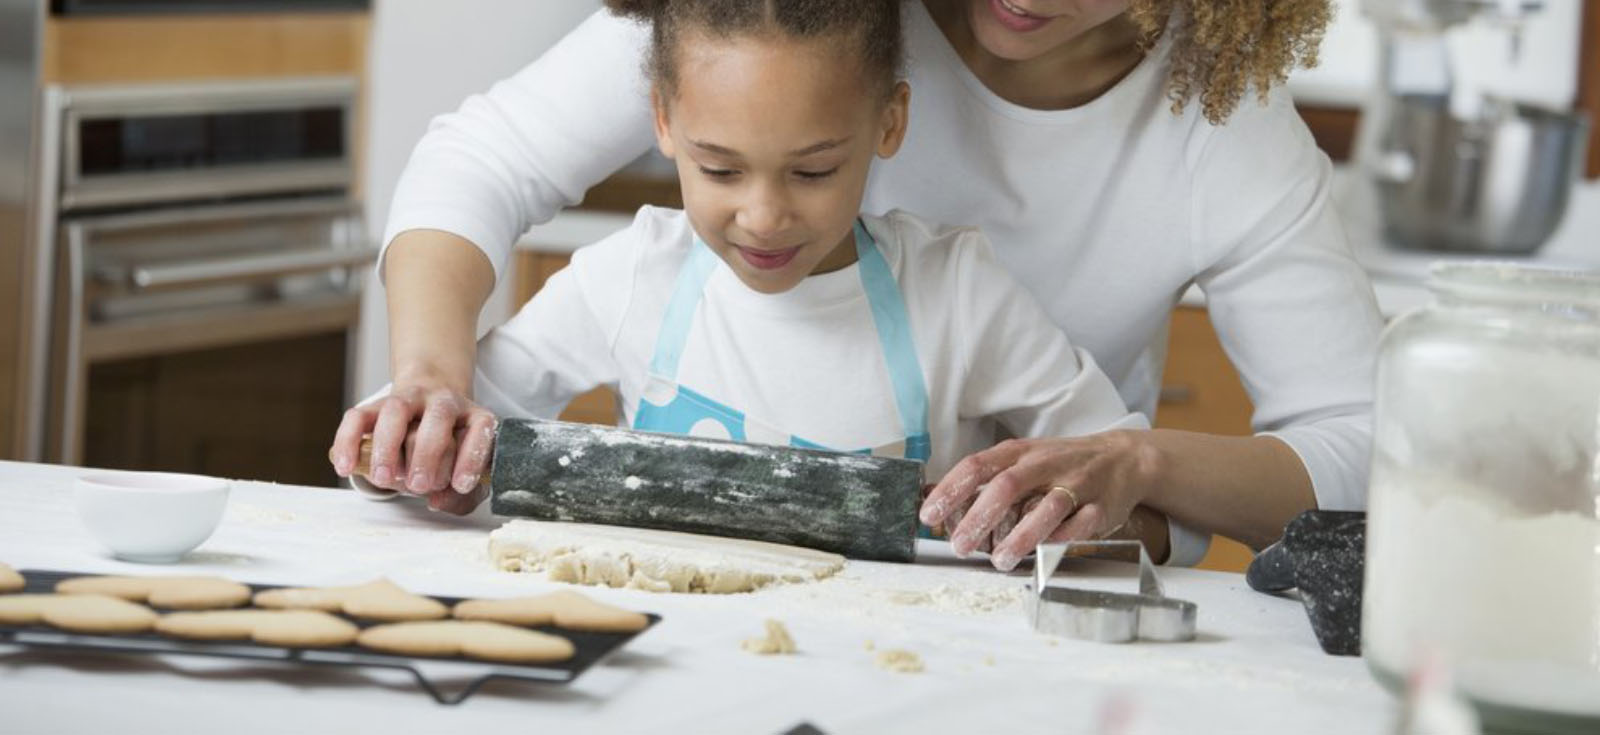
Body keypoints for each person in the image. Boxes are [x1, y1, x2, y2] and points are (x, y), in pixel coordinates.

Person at [331, 0, 1383, 570]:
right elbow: (482, 161)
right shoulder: (792, 21)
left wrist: (1136, 464)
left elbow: (1358, 448)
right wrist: (429, 377)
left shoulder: (1223, 134)